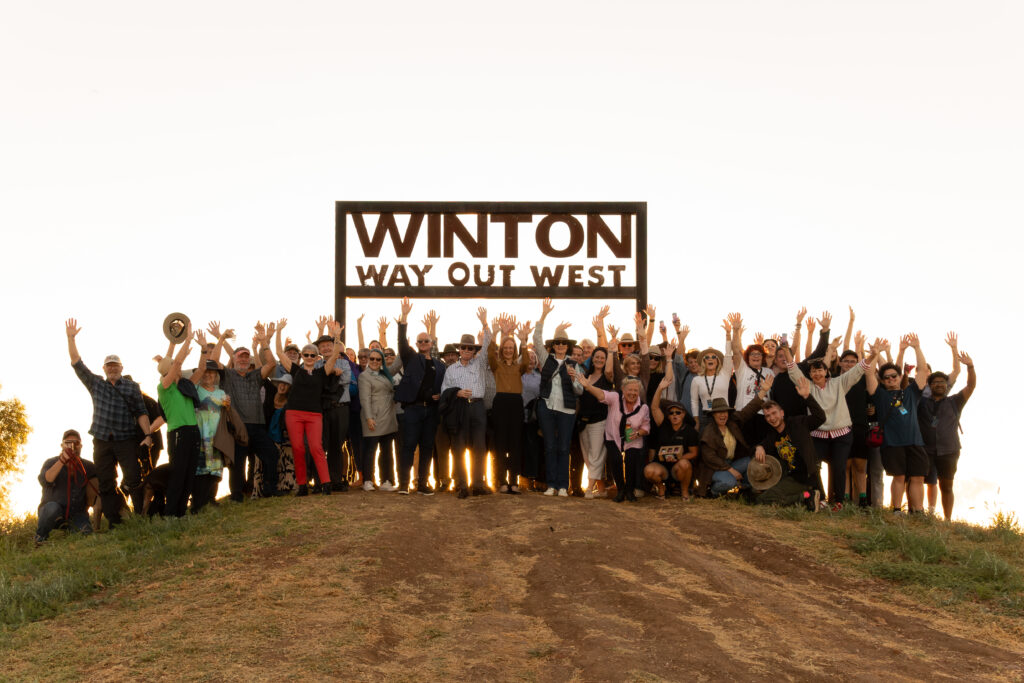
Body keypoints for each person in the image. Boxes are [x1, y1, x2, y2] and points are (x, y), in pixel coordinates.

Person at [66, 318, 155, 525]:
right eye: (109, 366)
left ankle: (142, 518)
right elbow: (76, 363)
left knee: (133, 478)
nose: (112, 368)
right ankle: (116, 520)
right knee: (106, 483)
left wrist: (148, 436)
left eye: (116, 365)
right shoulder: (96, 383)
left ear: (122, 367)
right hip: (102, 440)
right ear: (104, 369)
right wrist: (71, 338)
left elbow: (141, 412)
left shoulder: (131, 387)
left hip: (126, 439)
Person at [782, 337, 876, 508]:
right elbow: (793, 370)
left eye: (820, 370)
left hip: (841, 435)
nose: (817, 374)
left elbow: (857, 371)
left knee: (839, 466)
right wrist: (786, 351)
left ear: (826, 372)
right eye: (813, 371)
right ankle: (820, 498)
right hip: (818, 435)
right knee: (813, 466)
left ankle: (839, 501)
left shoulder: (839, 383)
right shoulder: (807, 386)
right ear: (809, 374)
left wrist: (872, 356)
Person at [275, 318, 345, 496]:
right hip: (294, 414)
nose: (309, 357)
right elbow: (278, 352)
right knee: (298, 448)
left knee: (316, 448)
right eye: (306, 355)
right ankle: (302, 485)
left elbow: (336, 354)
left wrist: (336, 338)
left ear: (317, 358)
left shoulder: (323, 372)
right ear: (302, 357)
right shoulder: (295, 370)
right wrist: (278, 332)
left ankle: (326, 483)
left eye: (313, 355)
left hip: (314, 415)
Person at [214, 321, 281, 500]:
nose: (243, 360)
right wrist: (221, 338)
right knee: (238, 462)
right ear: (234, 359)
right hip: (237, 426)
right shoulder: (227, 375)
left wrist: (264, 342)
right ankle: (236, 495)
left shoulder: (255, 375)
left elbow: (272, 363)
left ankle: (269, 489)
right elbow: (213, 361)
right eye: (240, 357)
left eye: (246, 357)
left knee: (271, 454)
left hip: (258, 425)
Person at [866, 336, 930, 514]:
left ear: (900, 376)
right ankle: (896, 510)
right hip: (892, 443)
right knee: (899, 477)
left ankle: (918, 512)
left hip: (915, 441)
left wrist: (917, 348)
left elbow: (923, 371)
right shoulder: (879, 395)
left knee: (917, 477)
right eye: (886, 378)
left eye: (894, 376)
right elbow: (869, 374)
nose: (890, 379)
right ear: (883, 380)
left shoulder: (910, 393)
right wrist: (874, 356)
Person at [439, 307, 492, 498]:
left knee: (479, 447)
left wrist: (485, 323)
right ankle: (462, 485)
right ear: (459, 350)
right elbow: (444, 390)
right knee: (458, 447)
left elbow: (489, 344)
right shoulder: (451, 369)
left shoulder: (480, 363)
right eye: (463, 347)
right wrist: (457, 392)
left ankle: (478, 484)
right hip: (459, 409)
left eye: (470, 347)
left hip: (478, 406)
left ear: (474, 350)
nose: (467, 350)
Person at [533, 298, 584, 497]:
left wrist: (573, 379)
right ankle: (551, 485)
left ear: (568, 346)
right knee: (550, 446)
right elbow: (537, 338)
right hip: (547, 406)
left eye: (564, 343)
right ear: (553, 346)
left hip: (567, 410)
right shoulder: (546, 360)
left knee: (563, 447)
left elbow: (580, 390)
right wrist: (544, 315)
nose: (561, 345)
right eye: (558, 343)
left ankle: (563, 485)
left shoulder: (574, 364)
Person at [394, 300, 445, 495]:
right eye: (420, 341)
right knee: (408, 446)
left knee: (426, 448)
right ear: (416, 344)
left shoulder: (440, 365)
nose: (423, 343)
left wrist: (441, 395)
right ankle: (404, 484)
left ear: (432, 343)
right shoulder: (411, 358)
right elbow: (401, 342)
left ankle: (423, 483)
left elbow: (444, 386)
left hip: (431, 411)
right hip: (413, 409)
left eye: (426, 341)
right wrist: (404, 318)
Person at [918, 351, 975, 521]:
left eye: (943, 382)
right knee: (917, 481)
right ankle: (918, 514)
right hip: (925, 449)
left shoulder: (955, 401)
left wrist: (970, 367)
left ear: (946, 385)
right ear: (930, 386)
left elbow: (971, 386)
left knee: (946, 486)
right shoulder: (921, 403)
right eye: (935, 382)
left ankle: (947, 520)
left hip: (949, 450)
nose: (940, 385)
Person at [751, 378, 826, 507]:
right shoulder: (772, 436)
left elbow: (820, 417)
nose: (772, 418)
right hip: (789, 478)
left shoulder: (798, 423)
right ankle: (808, 498)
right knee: (756, 495)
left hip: (805, 476)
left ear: (782, 413)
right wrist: (759, 447)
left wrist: (807, 397)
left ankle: (807, 497)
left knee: (763, 500)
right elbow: (760, 446)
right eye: (768, 416)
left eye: (774, 413)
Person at [576, 374, 650, 503]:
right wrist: (588, 386)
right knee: (615, 461)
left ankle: (629, 491)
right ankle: (620, 490)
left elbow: (646, 426)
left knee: (631, 463)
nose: (632, 393)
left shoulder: (643, 408)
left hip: (633, 440)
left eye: (635, 390)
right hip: (613, 436)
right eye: (629, 390)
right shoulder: (615, 398)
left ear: (639, 392)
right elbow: (601, 395)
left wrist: (638, 434)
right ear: (623, 390)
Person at [696, 376, 773, 498]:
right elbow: (710, 458)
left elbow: (750, 409)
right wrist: (731, 471)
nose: (722, 415)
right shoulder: (708, 432)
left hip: (732, 463)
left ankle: (745, 489)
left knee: (752, 461)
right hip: (715, 468)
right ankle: (713, 492)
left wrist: (763, 391)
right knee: (729, 481)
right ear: (713, 415)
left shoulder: (733, 422)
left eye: (725, 411)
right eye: (718, 412)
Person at [156, 327, 205, 517]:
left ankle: (181, 513)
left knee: (189, 473)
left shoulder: (185, 385)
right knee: (178, 474)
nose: (177, 366)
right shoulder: (164, 387)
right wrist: (187, 339)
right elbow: (177, 362)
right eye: (173, 366)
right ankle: (170, 514)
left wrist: (203, 350)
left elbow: (201, 369)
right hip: (178, 433)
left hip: (193, 432)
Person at [487, 314, 531, 494]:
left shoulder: (518, 367)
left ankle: (513, 481)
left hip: (515, 404)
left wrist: (523, 342)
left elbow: (527, 361)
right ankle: (502, 481)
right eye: (505, 347)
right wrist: (496, 334)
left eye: (511, 348)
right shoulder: (496, 365)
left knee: (514, 443)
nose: (508, 350)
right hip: (500, 403)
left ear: (514, 350)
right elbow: (490, 354)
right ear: (501, 349)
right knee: (500, 443)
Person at [310, 317, 354, 492]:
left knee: (337, 446)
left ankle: (335, 480)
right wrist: (332, 373)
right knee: (319, 445)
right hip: (322, 409)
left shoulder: (344, 362)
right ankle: (319, 481)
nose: (326, 348)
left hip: (340, 408)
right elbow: (316, 383)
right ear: (319, 349)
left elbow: (346, 379)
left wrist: (331, 374)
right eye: (323, 346)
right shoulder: (316, 363)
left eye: (329, 345)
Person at [34, 430, 99, 545]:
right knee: (51, 508)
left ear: (81, 446)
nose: (73, 446)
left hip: (77, 514)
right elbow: (46, 479)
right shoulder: (51, 462)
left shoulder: (88, 466)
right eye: (68, 443)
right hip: (53, 512)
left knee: (86, 535)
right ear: (62, 445)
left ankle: (72, 532)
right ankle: (40, 537)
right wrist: (62, 460)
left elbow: (97, 486)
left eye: (76, 443)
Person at [645, 364, 700, 501]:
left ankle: (685, 491)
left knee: (685, 465)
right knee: (649, 471)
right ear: (667, 415)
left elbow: (694, 453)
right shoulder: (663, 424)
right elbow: (654, 407)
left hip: (678, 467)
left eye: (678, 412)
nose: (674, 415)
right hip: (661, 466)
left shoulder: (689, 431)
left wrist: (677, 457)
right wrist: (660, 388)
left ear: (683, 414)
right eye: (671, 413)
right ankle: (661, 488)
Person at [359, 347, 400, 491]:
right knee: (370, 450)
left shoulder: (385, 374)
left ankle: (387, 481)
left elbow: (397, 363)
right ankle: (368, 480)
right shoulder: (364, 376)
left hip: (388, 416)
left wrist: (402, 345)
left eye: (378, 359)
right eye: (372, 359)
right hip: (374, 417)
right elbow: (365, 399)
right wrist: (369, 418)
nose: (375, 361)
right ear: (368, 360)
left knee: (387, 450)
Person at [578, 346, 614, 498]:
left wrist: (611, 351)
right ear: (591, 358)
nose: (599, 360)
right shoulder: (585, 375)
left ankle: (589, 489)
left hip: (600, 421)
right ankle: (600, 489)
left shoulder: (607, 377)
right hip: (583, 421)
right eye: (597, 357)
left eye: (602, 358)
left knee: (596, 455)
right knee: (587, 456)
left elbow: (610, 370)